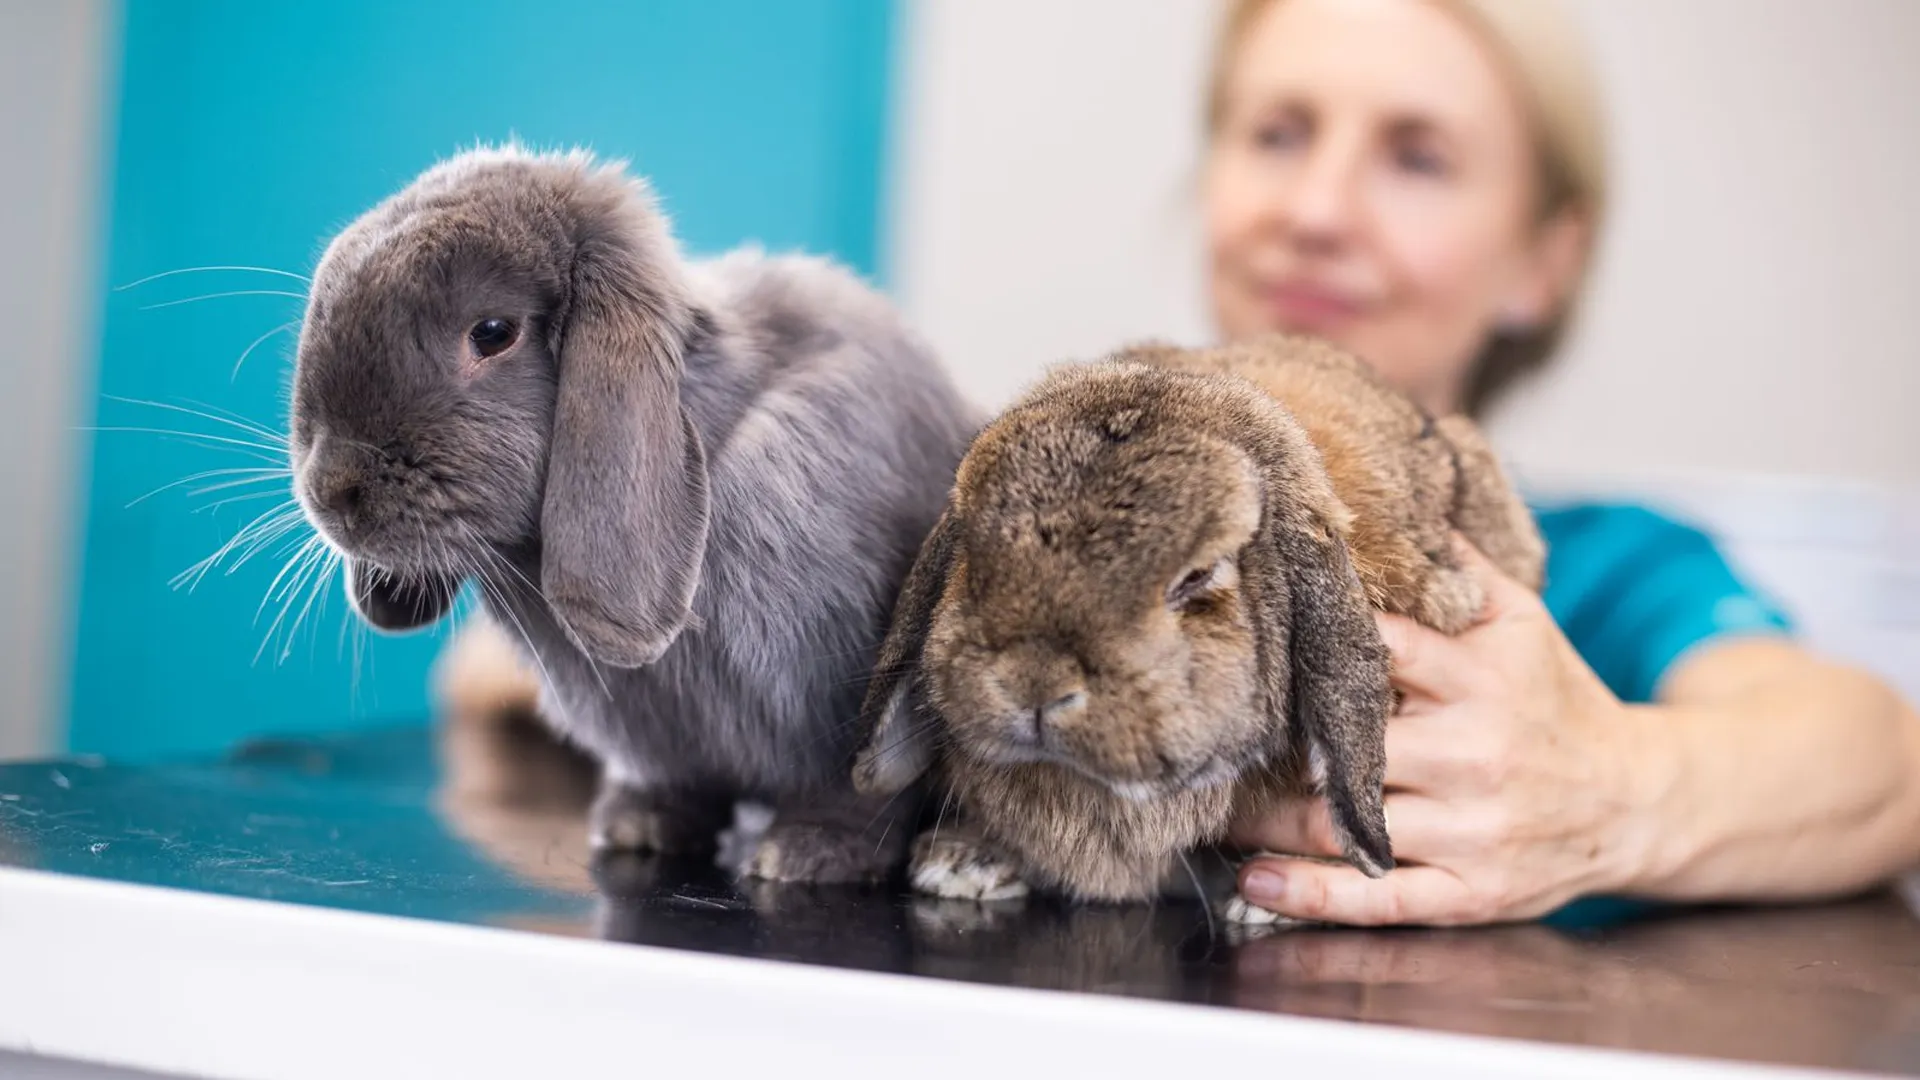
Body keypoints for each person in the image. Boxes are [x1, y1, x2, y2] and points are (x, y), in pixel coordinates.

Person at [1204, 0, 1920, 926]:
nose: (1315, 211)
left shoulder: (1610, 571)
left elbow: (1886, 765)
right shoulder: (1058, 504)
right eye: (1277, 133)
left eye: (1418, 159)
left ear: (1544, 261)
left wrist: (1609, 787)